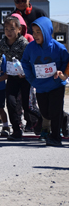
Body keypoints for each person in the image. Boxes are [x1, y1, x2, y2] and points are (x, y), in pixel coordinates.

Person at [22, 17, 69, 147]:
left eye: (39, 32)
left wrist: (62, 73)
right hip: (40, 86)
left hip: (56, 85)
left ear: (47, 32)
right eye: (34, 31)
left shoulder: (58, 48)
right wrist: (30, 78)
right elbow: (24, 62)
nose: (35, 35)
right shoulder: (31, 47)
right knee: (46, 113)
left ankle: (55, 137)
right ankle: (64, 118)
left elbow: (66, 62)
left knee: (54, 111)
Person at [0, 16, 42, 141]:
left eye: (12, 29)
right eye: (6, 29)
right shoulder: (2, 43)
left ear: (19, 29)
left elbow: (30, 60)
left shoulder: (24, 43)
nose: (9, 32)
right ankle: (16, 130)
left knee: (28, 105)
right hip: (12, 77)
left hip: (25, 78)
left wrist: (26, 72)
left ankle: (39, 122)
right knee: (11, 103)